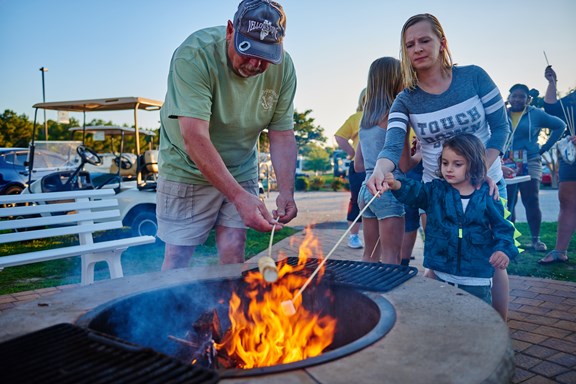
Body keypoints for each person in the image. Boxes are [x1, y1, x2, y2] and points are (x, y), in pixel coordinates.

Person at [365, 13, 512, 320]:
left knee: (491, 258)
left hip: (485, 182)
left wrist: (480, 171)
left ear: (442, 43)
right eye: (409, 45)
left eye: (424, 40)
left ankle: (499, 327)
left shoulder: (474, 77)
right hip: (437, 190)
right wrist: (381, 168)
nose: (416, 48)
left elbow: (501, 127)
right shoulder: (405, 99)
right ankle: (447, 322)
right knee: (440, 258)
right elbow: (393, 145)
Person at [156, 0, 298, 270]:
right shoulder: (194, 54)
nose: (255, 63)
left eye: (265, 55)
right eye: (248, 51)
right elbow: (194, 136)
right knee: (178, 257)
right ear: (231, 30)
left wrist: (286, 192)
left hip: (241, 165)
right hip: (187, 167)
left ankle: (230, 312)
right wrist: (237, 196)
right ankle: (170, 312)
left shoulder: (284, 68)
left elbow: (281, 133)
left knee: (234, 253)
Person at [385, 134, 519, 305]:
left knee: (476, 323)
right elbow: (415, 192)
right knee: (442, 320)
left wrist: (503, 250)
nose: (449, 169)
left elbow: (504, 228)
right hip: (441, 274)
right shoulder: (435, 191)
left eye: (457, 164)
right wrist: (396, 184)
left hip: (477, 278)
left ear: (473, 165)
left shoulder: (487, 195)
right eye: (445, 163)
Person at [354, 57, 406, 264]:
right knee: (392, 257)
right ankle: (388, 298)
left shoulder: (365, 120)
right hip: (388, 190)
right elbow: (403, 165)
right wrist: (419, 153)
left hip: (366, 190)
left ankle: (365, 296)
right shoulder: (396, 116)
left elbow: (358, 165)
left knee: (370, 255)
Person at [504, 83, 566, 251]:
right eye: (514, 96)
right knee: (508, 201)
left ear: (528, 99)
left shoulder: (536, 114)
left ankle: (535, 240)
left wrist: (544, 148)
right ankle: (509, 240)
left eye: (521, 96)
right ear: (509, 98)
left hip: (530, 159)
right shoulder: (501, 112)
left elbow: (560, 125)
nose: (517, 99)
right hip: (506, 161)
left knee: (531, 199)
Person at [538, 66, 576, 264]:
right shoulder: (573, 98)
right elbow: (552, 107)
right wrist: (552, 82)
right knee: (567, 201)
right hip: (572, 155)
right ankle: (559, 251)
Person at [334, 89, 367, 249]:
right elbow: (339, 136)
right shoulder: (356, 118)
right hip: (359, 167)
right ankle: (353, 236)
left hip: (382, 167)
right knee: (357, 201)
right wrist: (352, 153)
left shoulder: (388, 115)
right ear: (363, 99)